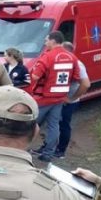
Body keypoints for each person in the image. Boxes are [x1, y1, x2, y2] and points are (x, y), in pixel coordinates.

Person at [27, 31, 85, 162]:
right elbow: (76, 78)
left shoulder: (47, 56)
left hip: (42, 98)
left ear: (53, 41)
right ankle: (48, 153)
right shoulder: (72, 57)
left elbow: (35, 76)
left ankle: (19, 150)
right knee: (54, 126)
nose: (45, 42)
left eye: (47, 40)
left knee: (30, 124)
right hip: (60, 98)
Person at [54, 42, 91, 158]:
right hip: (57, 99)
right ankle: (48, 146)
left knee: (63, 124)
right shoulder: (59, 61)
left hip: (68, 101)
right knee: (53, 124)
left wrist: (72, 98)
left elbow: (86, 84)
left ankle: (61, 150)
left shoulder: (78, 65)